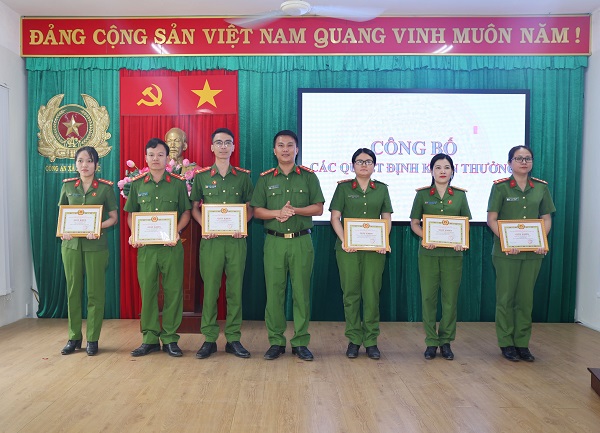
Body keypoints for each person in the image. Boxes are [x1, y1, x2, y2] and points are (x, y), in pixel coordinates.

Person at [250, 130, 325, 361]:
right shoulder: (266, 178)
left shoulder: (308, 176)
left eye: (290, 145)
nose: (285, 149)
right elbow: (257, 211)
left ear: (297, 149)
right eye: (281, 145)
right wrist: (277, 213)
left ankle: (301, 341)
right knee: (274, 293)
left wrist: (294, 211)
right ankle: (276, 341)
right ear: (274, 150)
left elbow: (318, 208)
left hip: (301, 241)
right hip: (274, 242)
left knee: (301, 294)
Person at [124, 138, 191, 357]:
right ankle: (150, 338)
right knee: (148, 292)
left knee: (173, 292)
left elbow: (186, 213)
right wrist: (135, 233)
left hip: (171, 247)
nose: (155, 158)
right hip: (146, 249)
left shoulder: (178, 183)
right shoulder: (137, 184)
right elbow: (131, 214)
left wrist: (176, 231)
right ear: (145, 158)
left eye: (160, 155)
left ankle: (170, 338)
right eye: (151, 155)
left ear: (167, 158)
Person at [487, 145, 555, 362]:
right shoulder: (500, 187)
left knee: (525, 300)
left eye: (527, 158)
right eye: (519, 158)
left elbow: (546, 219)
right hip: (506, 253)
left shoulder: (541, 188)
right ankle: (506, 343)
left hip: (533, 253)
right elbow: (491, 219)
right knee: (506, 299)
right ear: (510, 163)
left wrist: (541, 240)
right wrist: (506, 241)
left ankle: (522, 344)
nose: (524, 162)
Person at [191, 128, 254, 359]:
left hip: (236, 241)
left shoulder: (243, 177)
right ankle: (209, 339)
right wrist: (204, 226)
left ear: (234, 147)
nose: (223, 146)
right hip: (212, 242)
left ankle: (233, 338)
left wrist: (242, 224)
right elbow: (194, 208)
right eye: (219, 142)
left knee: (234, 291)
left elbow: (251, 207)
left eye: (228, 142)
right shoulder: (201, 177)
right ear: (212, 147)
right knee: (210, 291)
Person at [330, 148, 392, 360]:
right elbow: (335, 218)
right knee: (351, 294)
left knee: (372, 295)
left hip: (374, 251)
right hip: (348, 250)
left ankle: (372, 341)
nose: (364, 165)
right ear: (353, 165)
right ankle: (354, 339)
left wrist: (384, 240)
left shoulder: (381, 189)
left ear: (374, 165)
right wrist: (344, 240)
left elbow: (386, 218)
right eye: (359, 161)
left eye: (368, 161)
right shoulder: (343, 188)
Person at [410, 153, 471, 361]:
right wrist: (424, 237)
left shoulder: (460, 196)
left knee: (450, 299)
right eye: (438, 167)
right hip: (428, 253)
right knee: (428, 298)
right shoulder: (422, 195)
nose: (442, 171)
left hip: (453, 254)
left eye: (446, 167)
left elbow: (465, 223)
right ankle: (431, 341)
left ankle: (446, 341)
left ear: (452, 171)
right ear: (431, 171)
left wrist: (461, 240)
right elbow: (414, 223)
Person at [58, 146, 118, 356]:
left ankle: (93, 338)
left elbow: (113, 218)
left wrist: (98, 227)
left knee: (95, 293)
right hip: (71, 247)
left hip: (96, 247)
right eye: (81, 161)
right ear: (75, 164)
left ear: (96, 164)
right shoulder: (67, 186)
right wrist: (63, 231)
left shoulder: (105, 189)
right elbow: (62, 215)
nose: (85, 165)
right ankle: (74, 337)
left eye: (89, 161)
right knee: (73, 292)